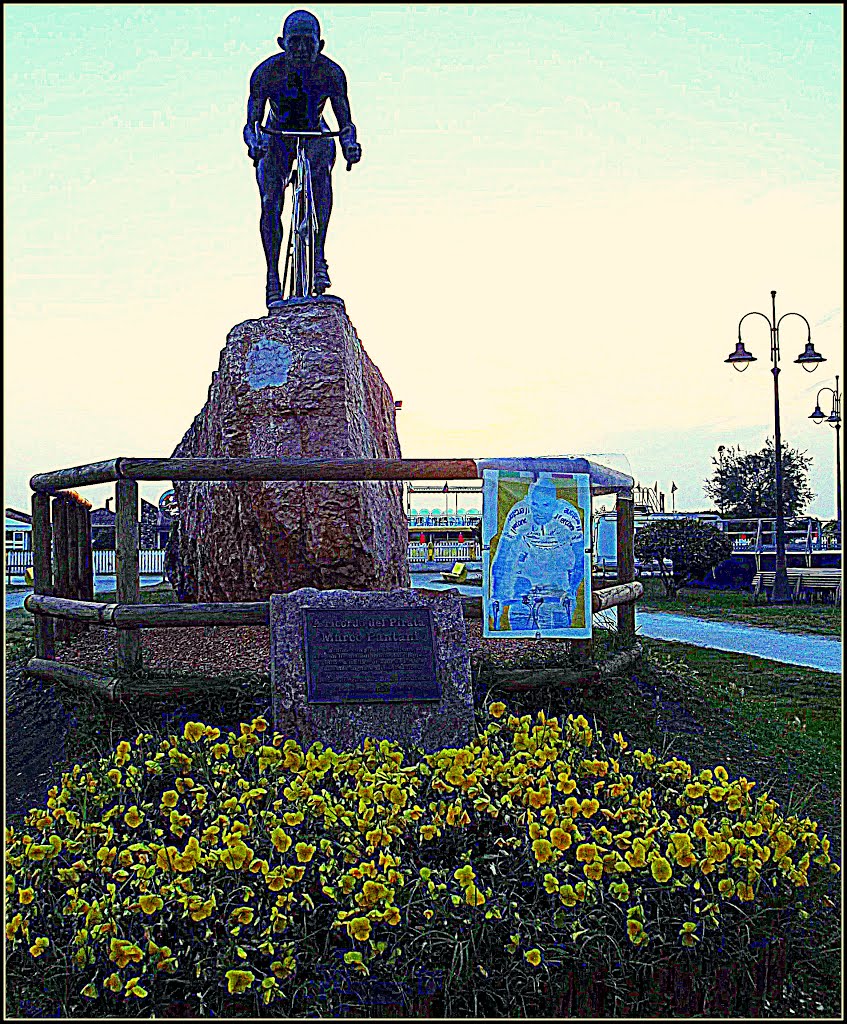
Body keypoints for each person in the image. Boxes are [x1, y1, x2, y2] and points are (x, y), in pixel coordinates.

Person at [243, 10, 362, 305]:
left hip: (314, 133)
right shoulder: (265, 74)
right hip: (277, 135)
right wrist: (254, 142)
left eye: (308, 44)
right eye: (294, 43)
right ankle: (273, 275)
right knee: (271, 200)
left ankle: (318, 255)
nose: (301, 50)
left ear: (320, 45)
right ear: (282, 43)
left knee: (322, 175)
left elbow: (345, 123)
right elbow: (251, 124)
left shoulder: (331, 73)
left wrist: (349, 143)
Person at [490, 477, 585, 631]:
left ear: (555, 505)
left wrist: (571, 590)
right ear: (528, 501)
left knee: (557, 623)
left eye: (545, 505)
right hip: (528, 568)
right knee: (519, 616)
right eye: (535, 504)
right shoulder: (518, 514)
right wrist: (496, 595)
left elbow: (580, 558)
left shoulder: (568, 517)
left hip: (557, 567)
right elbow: (503, 556)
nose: (539, 511)